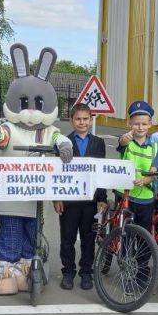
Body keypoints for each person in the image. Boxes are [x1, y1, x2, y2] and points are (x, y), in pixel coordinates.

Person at [55, 103, 106, 291]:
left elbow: (100, 173)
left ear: (91, 120)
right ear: (71, 120)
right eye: (78, 119)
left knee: (88, 237)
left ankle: (86, 272)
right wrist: (56, 197)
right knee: (67, 238)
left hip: (91, 200)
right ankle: (68, 272)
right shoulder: (63, 142)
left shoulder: (98, 143)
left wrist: (102, 198)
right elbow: (57, 173)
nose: (82, 122)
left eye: (85, 119)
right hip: (69, 200)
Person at [115, 101, 158, 231]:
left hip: (145, 197)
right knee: (124, 233)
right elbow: (121, 142)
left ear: (150, 124)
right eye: (136, 124)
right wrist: (123, 140)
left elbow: (153, 172)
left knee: (143, 235)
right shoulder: (127, 141)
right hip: (125, 194)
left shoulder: (155, 146)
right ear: (129, 123)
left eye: (144, 124)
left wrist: (145, 180)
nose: (140, 127)